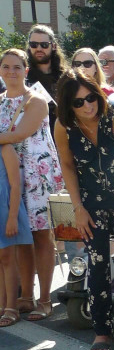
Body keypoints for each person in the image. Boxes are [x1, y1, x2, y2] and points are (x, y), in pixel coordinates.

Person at [53, 69, 114, 350]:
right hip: (90, 204)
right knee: (98, 264)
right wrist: (77, 208)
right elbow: (68, 166)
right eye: (78, 102)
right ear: (68, 105)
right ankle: (101, 332)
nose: (87, 106)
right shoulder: (63, 126)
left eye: (90, 97)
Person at [0, 48, 62, 322]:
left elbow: (20, 134)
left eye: (16, 67)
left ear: (26, 71)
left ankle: (45, 299)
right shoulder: (0, 101)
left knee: (40, 236)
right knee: (21, 236)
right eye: (6, 67)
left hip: (37, 174)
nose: (11, 72)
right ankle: (26, 295)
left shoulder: (36, 100)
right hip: (9, 175)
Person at [0, 137, 32, 327]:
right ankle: (2, 304)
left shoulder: (5, 148)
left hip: (5, 209)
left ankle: (11, 306)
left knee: (7, 257)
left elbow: (15, 185)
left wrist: (12, 217)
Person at [25, 25, 63, 133]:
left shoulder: (65, 77)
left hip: (61, 136)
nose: (39, 49)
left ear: (54, 46)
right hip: (31, 138)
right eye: (34, 44)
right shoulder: (23, 77)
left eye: (44, 45)